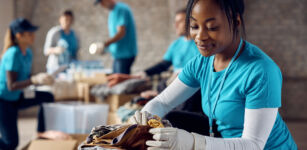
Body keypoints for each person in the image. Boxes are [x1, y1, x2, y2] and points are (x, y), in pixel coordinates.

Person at [130, 0, 298, 149]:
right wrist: (147, 114)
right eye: (194, 26)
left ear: (236, 21)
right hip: (224, 140)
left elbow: (253, 144)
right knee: (172, 119)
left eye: (212, 27)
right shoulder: (201, 63)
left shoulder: (261, 71)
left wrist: (194, 143)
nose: (200, 36)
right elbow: (162, 102)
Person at [0, 18, 67, 149]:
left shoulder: (28, 53)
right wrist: (34, 80)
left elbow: (25, 77)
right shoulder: (13, 53)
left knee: (47, 96)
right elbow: (11, 85)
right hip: (4, 101)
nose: (33, 36)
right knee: (10, 144)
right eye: (29, 34)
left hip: (17, 97)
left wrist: (42, 79)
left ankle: (41, 133)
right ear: (19, 35)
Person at [107, 8, 199, 87]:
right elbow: (162, 66)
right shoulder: (175, 45)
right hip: (175, 84)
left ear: (190, 22)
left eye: (180, 22)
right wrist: (136, 76)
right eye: (175, 22)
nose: (176, 25)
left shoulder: (200, 44)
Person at [95, 0, 137, 74]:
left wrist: (105, 44)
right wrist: (106, 49)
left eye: (102, 3)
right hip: (118, 55)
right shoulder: (112, 12)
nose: (102, 6)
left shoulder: (120, 9)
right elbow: (115, 36)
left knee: (121, 83)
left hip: (125, 55)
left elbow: (121, 33)